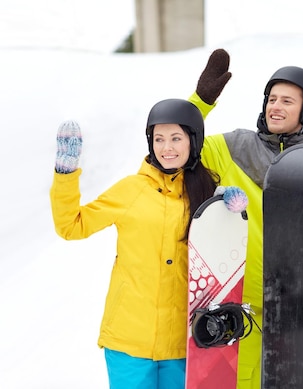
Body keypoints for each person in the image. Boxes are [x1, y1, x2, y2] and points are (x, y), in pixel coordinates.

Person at [50, 98, 247, 389]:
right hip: (129, 341)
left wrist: (226, 207)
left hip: (184, 343)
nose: (167, 148)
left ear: (193, 141)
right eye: (159, 139)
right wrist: (66, 176)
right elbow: (71, 226)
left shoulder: (205, 194)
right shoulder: (131, 190)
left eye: (176, 138)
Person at [188, 50, 303, 388]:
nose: (275, 106)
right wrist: (200, 103)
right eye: (272, 99)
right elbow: (178, 147)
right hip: (238, 309)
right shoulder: (234, 148)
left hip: (296, 314)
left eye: (287, 100)